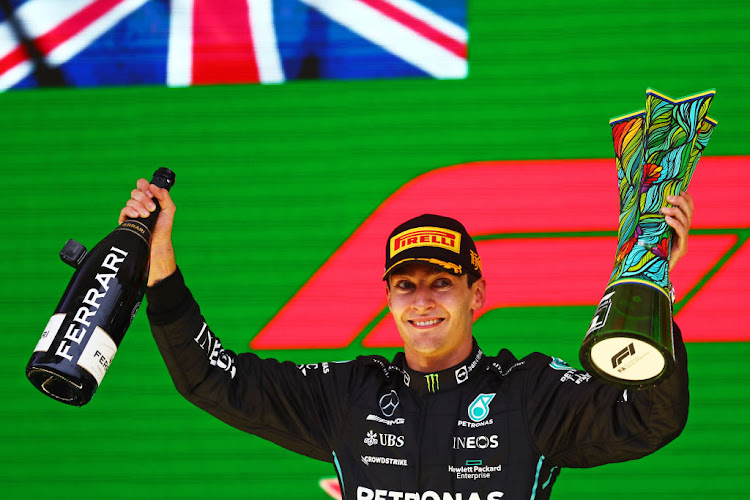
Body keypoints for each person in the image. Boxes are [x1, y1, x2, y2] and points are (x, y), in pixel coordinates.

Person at [122, 179, 693, 500]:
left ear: (478, 295)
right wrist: (159, 262)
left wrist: (653, 284)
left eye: (443, 283)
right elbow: (210, 378)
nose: (422, 300)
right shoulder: (349, 394)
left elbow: (649, 417)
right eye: (405, 285)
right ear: (388, 297)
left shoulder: (531, 392)